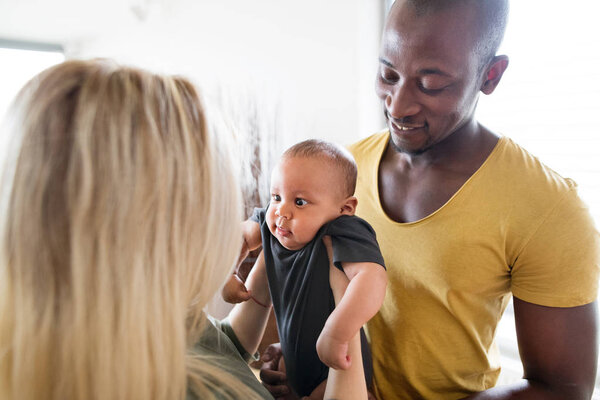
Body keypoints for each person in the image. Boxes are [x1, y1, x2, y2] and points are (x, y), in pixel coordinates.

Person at [261, 1, 600, 399]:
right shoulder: (336, 182)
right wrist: (303, 357)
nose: (398, 105)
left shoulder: (549, 209)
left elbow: (563, 389)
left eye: (431, 84)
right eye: (388, 74)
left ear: (490, 75)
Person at [222, 139, 387, 399]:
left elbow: (373, 279)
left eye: (300, 202)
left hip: (336, 362)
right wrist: (230, 272)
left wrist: (338, 332)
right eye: (276, 196)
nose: (281, 212)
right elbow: (241, 235)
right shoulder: (273, 220)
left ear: (344, 209)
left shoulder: (341, 230)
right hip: (295, 362)